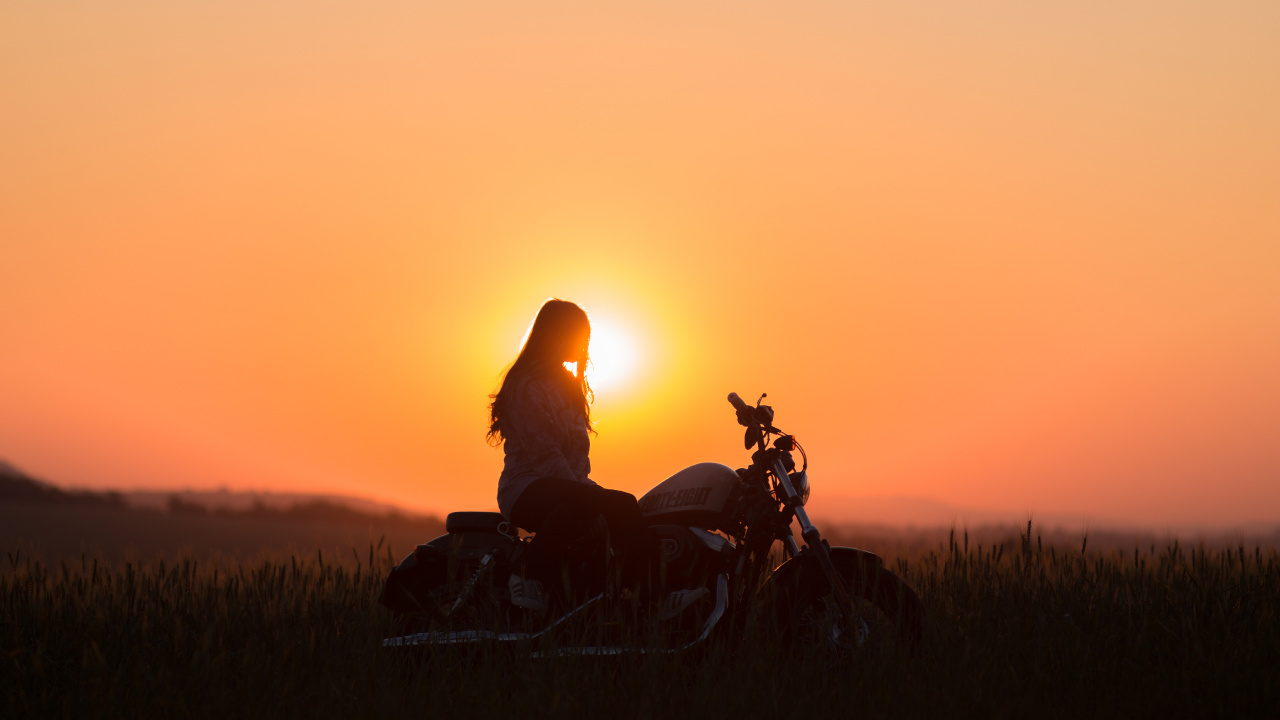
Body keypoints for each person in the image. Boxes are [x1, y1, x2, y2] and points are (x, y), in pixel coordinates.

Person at [488, 299, 652, 610]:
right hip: (525, 487)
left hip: (566, 488)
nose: (583, 346)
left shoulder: (569, 386)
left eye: (586, 339)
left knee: (625, 504)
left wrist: (594, 495)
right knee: (595, 503)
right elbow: (545, 456)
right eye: (578, 337)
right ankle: (525, 574)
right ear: (554, 335)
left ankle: (643, 598)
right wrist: (589, 497)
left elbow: (578, 460)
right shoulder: (525, 386)